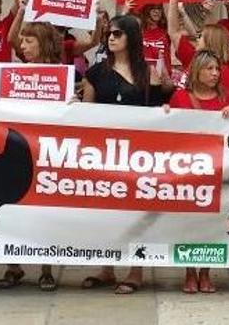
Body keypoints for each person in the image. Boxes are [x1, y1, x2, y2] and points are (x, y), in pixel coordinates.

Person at [80, 15, 167, 294]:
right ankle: (106, 268)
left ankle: (135, 270)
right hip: (104, 151)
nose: (111, 38)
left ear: (131, 36)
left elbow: (156, 113)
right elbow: (86, 112)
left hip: (138, 154)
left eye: (117, 33)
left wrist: (164, 106)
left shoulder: (148, 73)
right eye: (108, 34)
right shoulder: (95, 72)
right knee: (106, 212)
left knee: (136, 212)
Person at [0, 18, 64, 292]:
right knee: (13, 209)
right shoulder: (14, 75)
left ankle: (46, 269)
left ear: (43, 43)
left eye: (28, 41)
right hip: (16, 153)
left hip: (46, 155)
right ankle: (13, 266)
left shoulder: (62, 75)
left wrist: (72, 103)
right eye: (22, 40)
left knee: (45, 212)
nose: (22, 46)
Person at [165, 50, 229, 294]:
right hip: (188, 171)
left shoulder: (227, 97)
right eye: (209, 69)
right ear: (197, 71)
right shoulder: (180, 98)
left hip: (218, 171)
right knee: (188, 224)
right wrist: (165, 112)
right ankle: (189, 272)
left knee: (212, 225)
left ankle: (206, 272)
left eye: (217, 69)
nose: (215, 73)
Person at [140, 3, 171, 70]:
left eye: (159, 8)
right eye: (152, 8)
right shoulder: (139, 31)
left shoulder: (166, 31)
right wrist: (125, 11)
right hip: (142, 74)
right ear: (146, 11)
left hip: (162, 75)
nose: (157, 11)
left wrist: (181, 11)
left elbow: (193, 34)